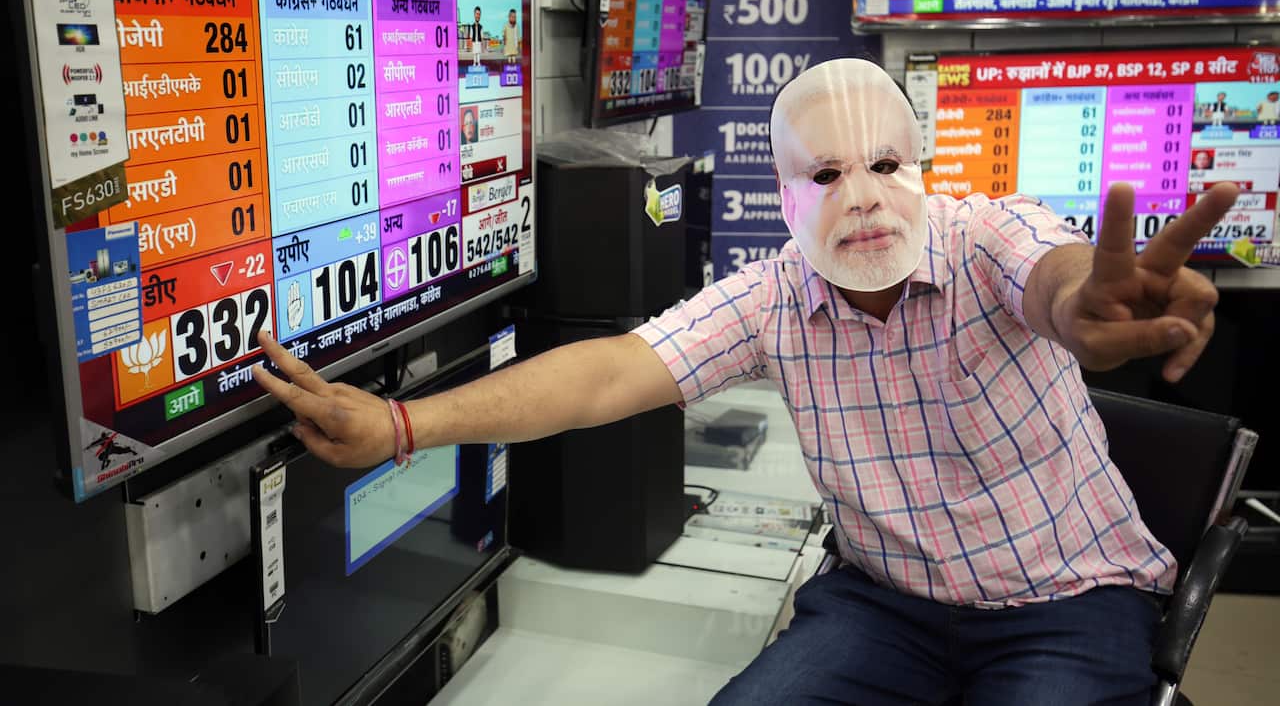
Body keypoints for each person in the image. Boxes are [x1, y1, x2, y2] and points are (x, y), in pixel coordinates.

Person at [253, 60, 1238, 706]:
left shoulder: (987, 238)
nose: (856, 196)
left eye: (882, 164)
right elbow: (607, 373)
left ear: (919, 170)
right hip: (883, 603)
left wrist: (1085, 310)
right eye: (822, 175)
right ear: (784, 194)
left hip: (1062, 599)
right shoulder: (774, 295)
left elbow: (1056, 280)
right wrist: (402, 422)